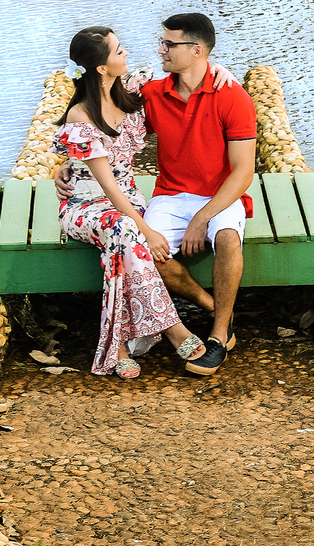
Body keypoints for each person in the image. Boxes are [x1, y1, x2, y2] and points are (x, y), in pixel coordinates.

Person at [59, 13, 257, 376]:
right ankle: (203, 306)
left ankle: (217, 334)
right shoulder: (150, 92)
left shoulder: (231, 96)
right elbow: (92, 144)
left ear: (196, 51)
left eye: (168, 44)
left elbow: (244, 170)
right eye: (161, 42)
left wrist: (203, 218)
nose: (159, 50)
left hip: (217, 196)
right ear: (104, 67)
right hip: (165, 195)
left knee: (228, 238)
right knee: (142, 243)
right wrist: (70, 165)